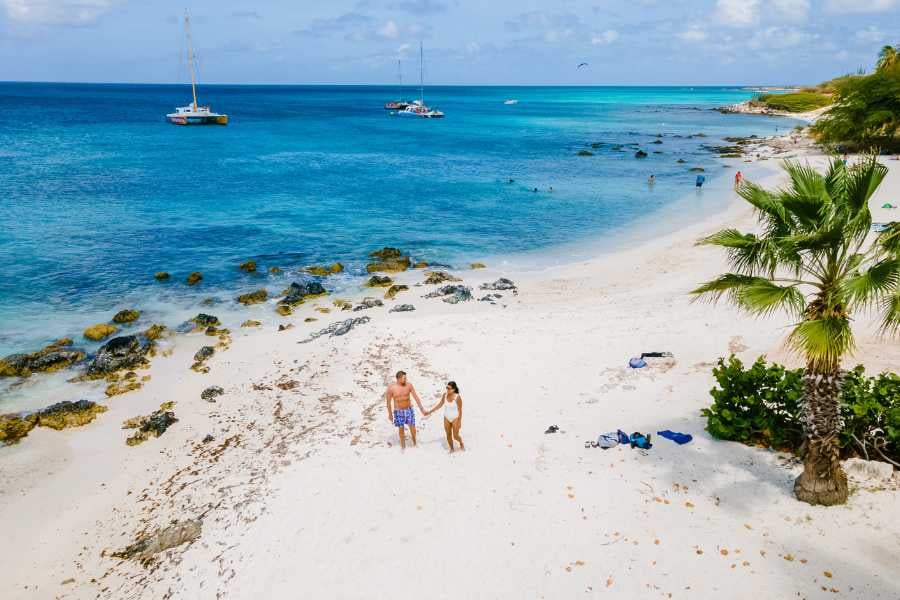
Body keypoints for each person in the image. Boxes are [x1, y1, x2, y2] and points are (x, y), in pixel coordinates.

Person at [385, 371, 427, 450]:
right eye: (404, 378)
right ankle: (403, 447)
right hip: (398, 411)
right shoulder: (391, 389)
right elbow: (388, 403)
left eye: (406, 378)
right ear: (398, 378)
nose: (406, 379)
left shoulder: (409, 385)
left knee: (412, 428)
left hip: (408, 410)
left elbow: (416, 397)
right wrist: (390, 414)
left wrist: (422, 409)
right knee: (401, 429)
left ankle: (415, 443)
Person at [426, 381, 465, 452]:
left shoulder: (457, 397)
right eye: (447, 388)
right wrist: (430, 411)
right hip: (446, 417)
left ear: (453, 389)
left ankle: (461, 442)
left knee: (455, 436)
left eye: (449, 388)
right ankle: (452, 448)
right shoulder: (445, 395)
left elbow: (460, 410)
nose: (447, 389)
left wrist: (459, 422)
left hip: (455, 418)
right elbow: (440, 405)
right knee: (448, 435)